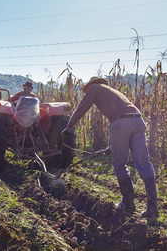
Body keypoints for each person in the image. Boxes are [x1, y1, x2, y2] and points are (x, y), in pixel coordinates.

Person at [61, 77, 158, 218]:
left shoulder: (94, 88)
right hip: (138, 121)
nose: (87, 92)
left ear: (91, 86)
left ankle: (128, 204)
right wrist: (111, 145)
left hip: (121, 123)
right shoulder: (112, 91)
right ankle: (152, 208)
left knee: (119, 165)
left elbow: (83, 106)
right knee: (144, 164)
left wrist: (69, 126)